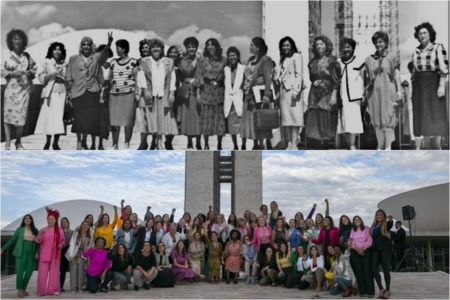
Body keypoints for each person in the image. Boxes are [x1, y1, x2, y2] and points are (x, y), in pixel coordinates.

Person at [65, 32, 113, 150]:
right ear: (81, 46)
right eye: (84, 45)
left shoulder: (95, 58)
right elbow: (68, 77)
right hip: (77, 92)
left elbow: (104, 54)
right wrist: (69, 93)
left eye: (88, 45)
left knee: (90, 119)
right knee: (79, 119)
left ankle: (89, 143)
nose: (86, 46)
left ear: (92, 46)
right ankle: (79, 141)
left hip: (92, 91)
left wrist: (109, 44)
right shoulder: (73, 59)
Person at [411, 22, 449, 149]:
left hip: (434, 83)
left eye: (425, 32)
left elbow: (444, 69)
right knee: (422, 114)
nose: (422, 35)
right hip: (419, 86)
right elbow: (414, 71)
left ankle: (437, 145)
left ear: (430, 34)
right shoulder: (416, 51)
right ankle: (426, 145)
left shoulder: (438, 47)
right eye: (419, 33)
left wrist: (441, 86)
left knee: (436, 114)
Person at [136, 38, 178, 150]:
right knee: (148, 120)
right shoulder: (145, 61)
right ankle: (145, 143)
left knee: (160, 120)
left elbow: (172, 78)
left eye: (158, 47)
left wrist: (172, 94)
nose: (155, 49)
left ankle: (159, 143)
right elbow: (141, 77)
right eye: (153, 47)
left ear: (162, 49)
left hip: (163, 95)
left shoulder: (169, 62)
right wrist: (145, 91)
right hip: (149, 94)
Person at [363, 31, 402, 150]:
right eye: (376, 42)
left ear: (386, 43)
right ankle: (380, 145)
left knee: (388, 117)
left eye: (380, 42)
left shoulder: (392, 56)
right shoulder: (369, 59)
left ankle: (388, 145)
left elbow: (396, 74)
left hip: (388, 90)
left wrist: (399, 90)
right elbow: (366, 78)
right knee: (376, 118)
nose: (378, 44)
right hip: (374, 93)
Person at [1, 29, 36, 150]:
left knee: (21, 117)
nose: (17, 41)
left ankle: (18, 142)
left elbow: (34, 69)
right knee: (8, 116)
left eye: (19, 39)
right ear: (11, 41)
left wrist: (28, 73)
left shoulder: (27, 56)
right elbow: (1, 70)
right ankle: (7, 142)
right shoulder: (6, 55)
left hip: (23, 91)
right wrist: (12, 73)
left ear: (23, 41)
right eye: (15, 39)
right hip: (11, 90)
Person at [305, 35, 341, 148]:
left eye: (321, 44)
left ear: (326, 45)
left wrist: (334, 95)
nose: (319, 46)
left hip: (327, 93)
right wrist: (316, 81)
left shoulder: (332, 60)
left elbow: (337, 79)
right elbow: (312, 78)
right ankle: (316, 145)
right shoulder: (312, 62)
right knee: (314, 118)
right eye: (317, 45)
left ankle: (326, 145)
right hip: (314, 93)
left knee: (326, 118)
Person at [240, 37, 274, 149]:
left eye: (252, 45)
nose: (250, 47)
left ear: (258, 48)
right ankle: (255, 143)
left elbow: (268, 78)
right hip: (248, 93)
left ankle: (263, 143)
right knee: (251, 119)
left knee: (260, 118)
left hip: (259, 93)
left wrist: (266, 95)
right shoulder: (250, 59)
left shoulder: (266, 59)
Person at [34, 42, 67, 150]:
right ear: (51, 51)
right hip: (50, 93)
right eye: (55, 49)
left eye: (59, 49)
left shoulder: (65, 63)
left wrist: (64, 78)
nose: (57, 51)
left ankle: (56, 143)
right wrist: (54, 74)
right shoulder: (46, 62)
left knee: (59, 118)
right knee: (49, 118)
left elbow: (69, 79)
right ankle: (48, 142)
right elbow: (41, 78)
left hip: (62, 92)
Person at [195, 38, 227, 150]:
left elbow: (228, 76)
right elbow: (198, 76)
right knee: (206, 118)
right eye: (207, 45)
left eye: (212, 45)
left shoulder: (224, 60)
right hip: (206, 91)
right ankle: (206, 144)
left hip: (219, 91)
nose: (209, 47)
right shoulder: (201, 60)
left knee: (219, 119)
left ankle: (219, 144)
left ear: (217, 47)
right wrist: (198, 94)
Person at [108, 39, 138, 150]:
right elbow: (109, 78)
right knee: (114, 121)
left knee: (128, 121)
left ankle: (126, 143)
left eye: (118, 47)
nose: (116, 50)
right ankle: (115, 144)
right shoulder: (113, 62)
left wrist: (137, 94)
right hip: (114, 95)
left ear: (124, 48)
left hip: (128, 94)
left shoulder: (133, 62)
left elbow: (137, 79)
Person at [277, 36, 305, 149]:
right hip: (283, 92)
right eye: (283, 45)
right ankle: (288, 142)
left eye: (287, 45)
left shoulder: (297, 56)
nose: (285, 47)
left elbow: (299, 74)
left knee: (295, 118)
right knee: (286, 119)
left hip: (293, 92)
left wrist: (296, 91)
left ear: (292, 46)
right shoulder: (282, 59)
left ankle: (294, 143)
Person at [0, 215, 38, 298]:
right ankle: (20, 290)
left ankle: (24, 289)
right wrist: (2, 249)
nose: (27, 219)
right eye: (26, 218)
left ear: (31, 220)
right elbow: (12, 241)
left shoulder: (35, 230)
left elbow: (38, 243)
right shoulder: (19, 230)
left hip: (31, 252)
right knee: (20, 271)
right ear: (24, 220)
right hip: (21, 251)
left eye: (29, 218)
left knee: (29, 271)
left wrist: (37, 252)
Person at [336, 38, 364, 149]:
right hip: (342, 97)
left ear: (353, 48)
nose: (346, 49)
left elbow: (364, 77)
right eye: (344, 47)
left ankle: (352, 145)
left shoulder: (360, 61)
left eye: (348, 47)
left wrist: (364, 95)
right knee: (344, 122)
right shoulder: (338, 62)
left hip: (354, 97)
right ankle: (348, 145)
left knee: (353, 122)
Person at [178, 36, 202, 149]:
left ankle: (198, 141)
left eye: (193, 47)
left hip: (199, 90)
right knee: (187, 115)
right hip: (187, 90)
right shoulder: (183, 60)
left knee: (198, 115)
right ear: (186, 48)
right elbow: (187, 70)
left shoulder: (202, 59)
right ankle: (189, 141)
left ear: (196, 48)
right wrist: (196, 60)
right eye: (189, 47)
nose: (191, 49)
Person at [35, 208, 65, 296]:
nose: (50, 221)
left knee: (55, 273)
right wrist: (39, 235)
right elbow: (37, 241)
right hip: (44, 254)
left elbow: (63, 241)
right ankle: (41, 291)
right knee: (42, 273)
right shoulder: (43, 230)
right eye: (49, 219)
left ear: (55, 220)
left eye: (52, 219)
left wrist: (61, 245)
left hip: (55, 255)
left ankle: (53, 289)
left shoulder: (59, 230)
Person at [224, 46, 246, 150]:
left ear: (237, 56)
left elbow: (246, 84)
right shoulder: (226, 69)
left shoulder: (243, 68)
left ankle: (243, 145)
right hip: (229, 101)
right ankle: (235, 145)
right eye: (230, 56)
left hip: (240, 99)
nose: (232, 57)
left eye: (234, 55)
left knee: (242, 126)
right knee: (232, 127)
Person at [370, 209, 394, 299]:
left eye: (381, 214)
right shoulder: (373, 226)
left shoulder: (386, 224)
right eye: (377, 215)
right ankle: (381, 289)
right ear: (375, 216)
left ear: (384, 216)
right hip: (375, 249)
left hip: (385, 249)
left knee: (385, 270)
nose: (379, 216)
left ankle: (387, 291)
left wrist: (390, 220)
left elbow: (390, 225)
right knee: (374, 269)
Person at [349, 215, 374, 297]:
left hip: (365, 251)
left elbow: (370, 240)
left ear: (361, 220)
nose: (357, 220)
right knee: (359, 271)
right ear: (353, 222)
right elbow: (351, 242)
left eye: (358, 219)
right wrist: (357, 249)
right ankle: (362, 291)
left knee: (366, 270)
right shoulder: (353, 230)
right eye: (355, 220)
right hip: (355, 251)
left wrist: (363, 248)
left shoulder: (366, 228)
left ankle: (370, 291)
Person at [65, 220, 91, 294]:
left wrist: (85, 242)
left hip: (82, 255)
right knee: (73, 271)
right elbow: (72, 244)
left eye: (87, 225)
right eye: (84, 224)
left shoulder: (89, 236)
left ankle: (80, 288)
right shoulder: (76, 233)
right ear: (81, 225)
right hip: (73, 254)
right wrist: (72, 255)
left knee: (81, 272)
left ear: (89, 227)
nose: (85, 226)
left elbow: (86, 250)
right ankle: (73, 288)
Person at [59, 217, 73, 292]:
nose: (64, 223)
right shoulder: (59, 231)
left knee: (72, 269)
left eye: (65, 221)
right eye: (62, 222)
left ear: (68, 223)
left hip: (69, 251)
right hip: (61, 251)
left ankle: (74, 286)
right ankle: (60, 286)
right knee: (62, 270)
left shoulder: (72, 232)